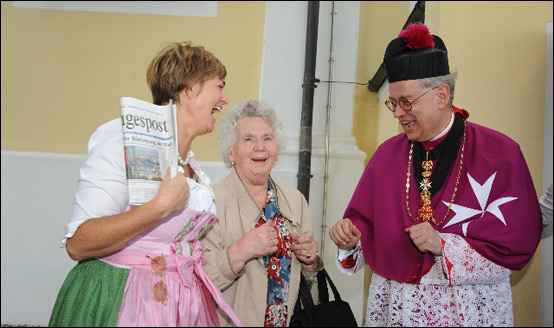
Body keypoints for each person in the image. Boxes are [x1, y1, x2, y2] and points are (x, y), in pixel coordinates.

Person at [329, 23, 542, 327]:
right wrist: (350, 241)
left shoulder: (500, 153)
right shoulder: (386, 156)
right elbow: (367, 237)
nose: (397, 113)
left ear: (442, 95)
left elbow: (515, 244)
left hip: (467, 312)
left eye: (406, 102)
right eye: (394, 102)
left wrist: (444, 245)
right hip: (398, 310)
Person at [49, 41, 242, 327]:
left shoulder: (188, 160)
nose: (225, 100)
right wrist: (159, 207)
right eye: (219, 86)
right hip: (124, 303)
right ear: (189, 90)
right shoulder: (124, 141)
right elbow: (78, 243)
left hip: (177, 305)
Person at [200, 99, 324, 326]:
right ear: (231, 153)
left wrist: (310, 262)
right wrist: (240, 251)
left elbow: (307, 280)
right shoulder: (210, 201)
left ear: (276, 151)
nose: (260, 147)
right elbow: (198, 281)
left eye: (267, 138)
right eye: (248, 139)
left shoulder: (295, 200)